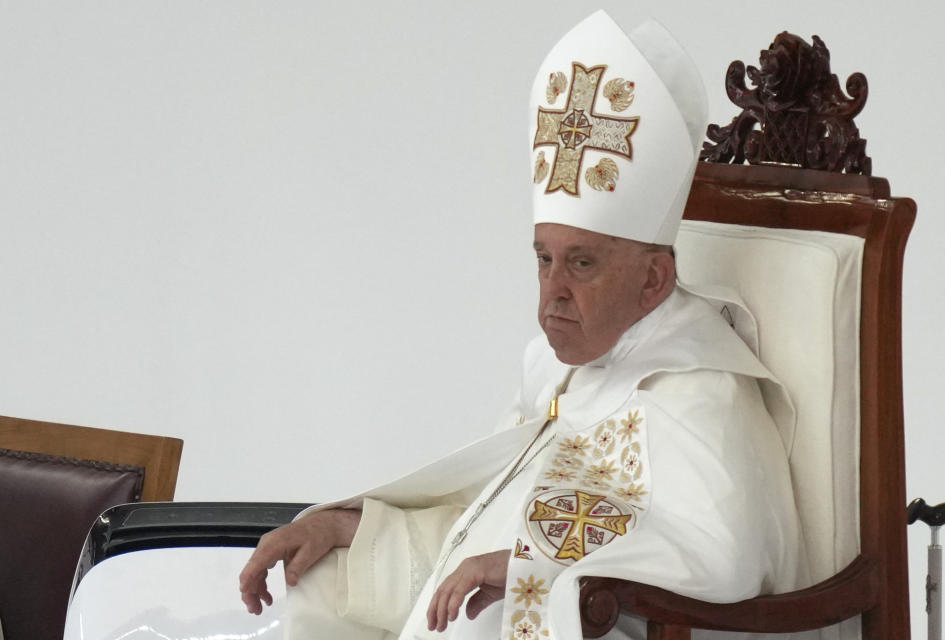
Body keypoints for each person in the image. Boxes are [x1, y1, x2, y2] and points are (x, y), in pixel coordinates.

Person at [239, 11, 809, 640]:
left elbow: (727, 562)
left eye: (582, 263)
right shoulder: (559, 368)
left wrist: (533, 570)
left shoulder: (701, 391)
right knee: (322, 586)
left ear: (653, 279)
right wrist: (348, 529)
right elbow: (483, 525)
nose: (553, 292)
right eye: (544, 259)